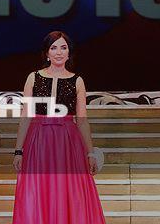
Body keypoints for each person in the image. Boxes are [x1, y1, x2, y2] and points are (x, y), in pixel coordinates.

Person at [11, 31, 105, 224]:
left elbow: (82, 120)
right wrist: (18, 151)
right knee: (38, 190)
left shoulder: (77, 80)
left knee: (69, 190)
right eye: (54, 48)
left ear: (69, 53)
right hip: (38, 141)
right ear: (46, 53)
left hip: (67, 143)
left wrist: (90, 153)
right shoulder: (33, 78)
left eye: (63, 47)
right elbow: (26, 116)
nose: (59, 52)